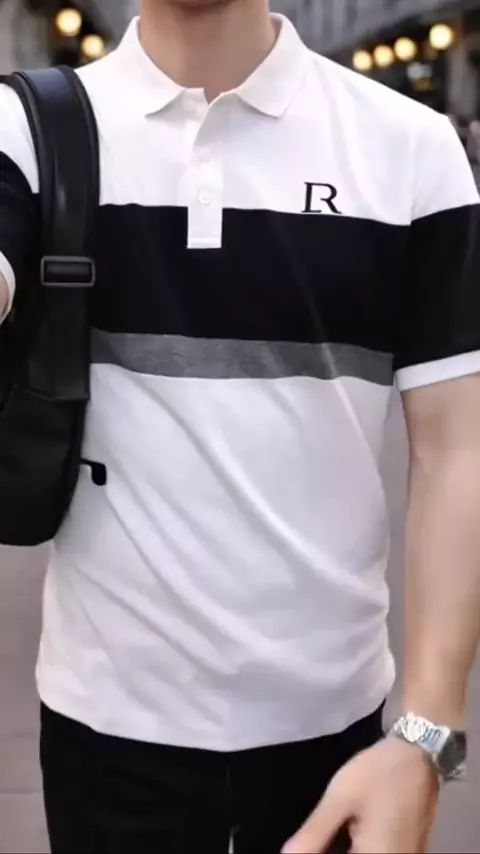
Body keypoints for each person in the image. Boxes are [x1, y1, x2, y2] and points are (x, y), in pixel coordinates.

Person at [1, 0, 480, 852]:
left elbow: (458, 449)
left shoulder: (410, 146)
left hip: (336, 732)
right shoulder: (28, 128)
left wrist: (426, 740)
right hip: (102, 724)